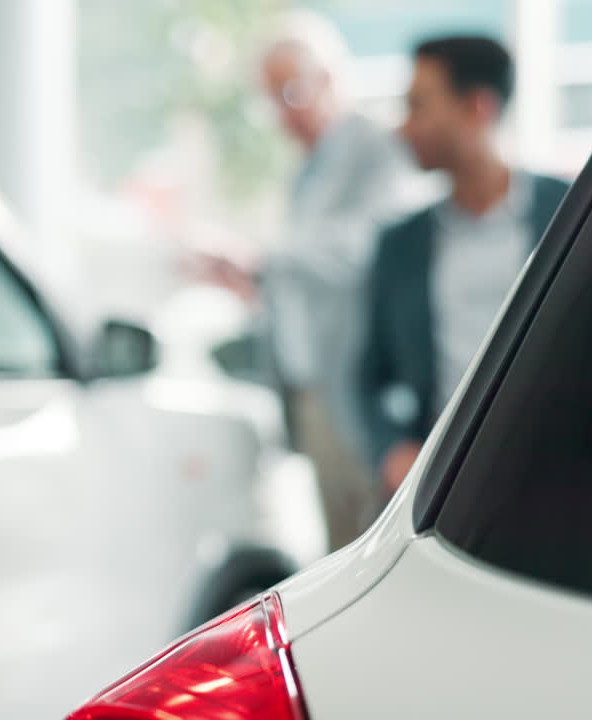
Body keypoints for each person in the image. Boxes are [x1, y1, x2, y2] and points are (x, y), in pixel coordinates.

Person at [205, 11, 420, 551]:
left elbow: (362, 249)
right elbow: (301, 275)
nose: (282, 114)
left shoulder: (374, 149)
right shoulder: (306, 170)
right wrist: (256, 282)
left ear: (330, 79)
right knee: (336, 547)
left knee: (372, 549)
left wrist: (264, 260)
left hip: (358, 390)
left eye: (291, 93)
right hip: (311, 392)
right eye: (270, 99)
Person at [357, 36, 571, 499]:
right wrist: (391, 448)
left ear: (477, 107)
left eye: (418, 105)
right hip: (440, 489)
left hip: (556, 476)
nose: (403, 128)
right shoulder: (400, 244)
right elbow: (368, 377)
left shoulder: (572, 213)